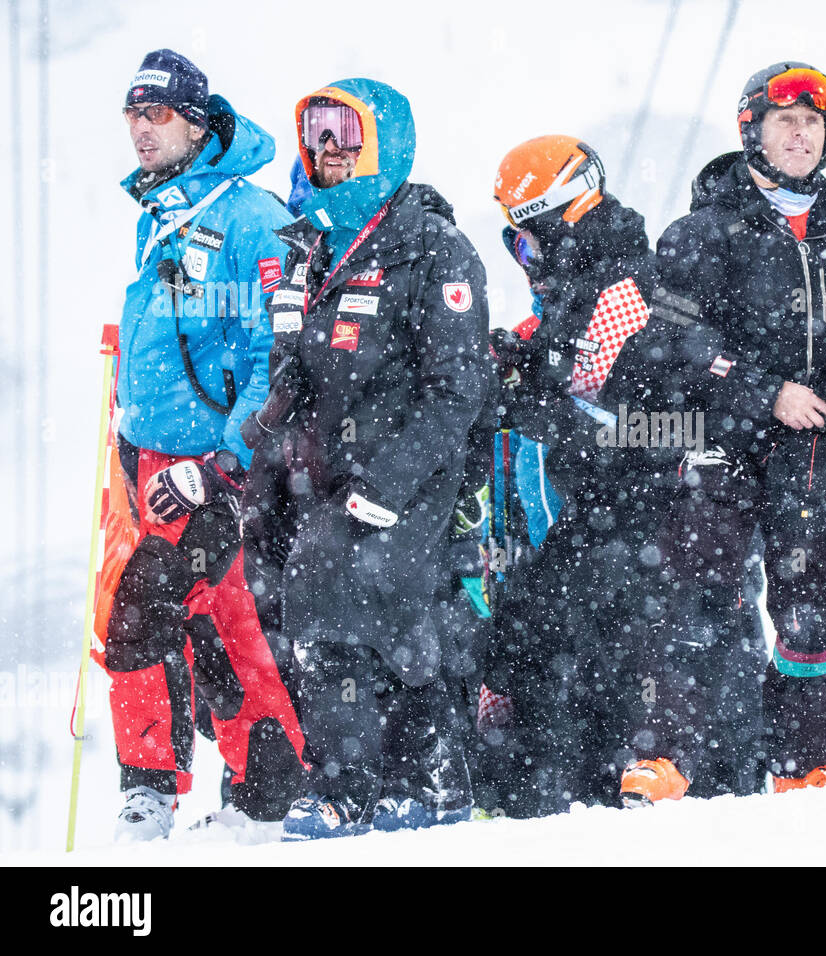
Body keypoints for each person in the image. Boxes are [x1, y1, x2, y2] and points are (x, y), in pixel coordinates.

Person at [625, 62, 826, 802]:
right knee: (692, 596)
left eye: (813, 123)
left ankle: (807, 766)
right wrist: (763, 392)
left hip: (815, 452)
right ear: (751, 129)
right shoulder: (702, 229)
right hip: (720, 443)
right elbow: (673, 338)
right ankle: (661, 763)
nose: (800, 133)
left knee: (813, 611)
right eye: (785, 120)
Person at [241, 78, 490, 838]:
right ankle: (428, 781)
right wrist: (269, 437)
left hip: (406, 471)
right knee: (373, 616)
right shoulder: (305, 246)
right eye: (315, 131)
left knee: (341, 603)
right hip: (324, 468)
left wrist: (390, 477)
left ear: (385, 143)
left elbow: (460, 385)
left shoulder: (431, 246)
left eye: (346, 133)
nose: (328, 148)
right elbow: (295, 360)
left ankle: (348, 787)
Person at [104, 49, 307, 840]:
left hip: (213, 469)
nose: (140, 131)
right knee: (159, 622)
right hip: (149, 465)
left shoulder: (251, 216)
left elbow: (271, 358)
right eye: (132, 115)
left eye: (156, 115)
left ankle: (262, 798)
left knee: (223, 625)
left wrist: (224, 465)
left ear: (196, 120)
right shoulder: (157, 213)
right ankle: (155, 788)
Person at [475, 135, 697, 815]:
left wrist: (523, 388)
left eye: (528, 242)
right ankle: (536, 784)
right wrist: (517, 365)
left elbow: (599, 406)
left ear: (563, 219)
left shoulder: (625, 287)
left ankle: (644, 763)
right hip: (584, 511)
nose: (526, 262)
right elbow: (565, 388)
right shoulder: (582, 288)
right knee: (529, 628)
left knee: (611, 627)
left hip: (629, 506)